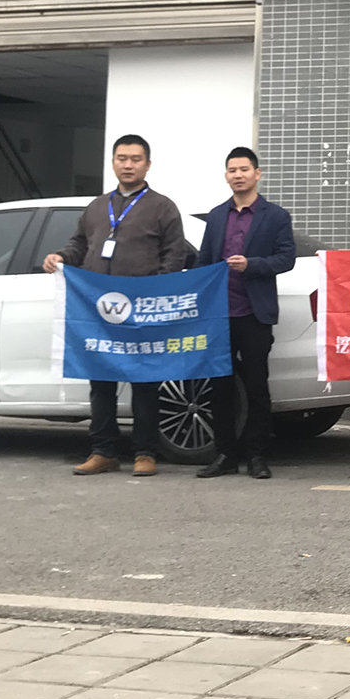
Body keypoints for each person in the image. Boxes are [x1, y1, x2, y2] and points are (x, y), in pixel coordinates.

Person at [45, 134, 192, 478]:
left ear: (147, 165)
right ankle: (103, 451)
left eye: (135, 159)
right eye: (122, 158)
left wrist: (155, 291)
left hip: (143, 310)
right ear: (113, 162)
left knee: (145, 383)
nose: (128, 165)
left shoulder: (162, 207)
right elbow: (79, 245)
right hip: (99, 311)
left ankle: (145, 452)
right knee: (101, 382)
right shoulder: (97, 207)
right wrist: (61, 257)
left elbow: (176, 254)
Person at [194, 146, 296, 481]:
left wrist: (251, 265)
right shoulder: (216, 216)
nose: (238, 175)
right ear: (226, 176)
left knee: (256, 387)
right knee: (219, 388)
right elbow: (204, 262)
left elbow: (286, 258)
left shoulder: (275, 216)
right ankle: (224, 453)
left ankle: (257, 455)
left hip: (254, 313)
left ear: (257, 173)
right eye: (232, 170)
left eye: (244, 169)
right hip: (220, 315)